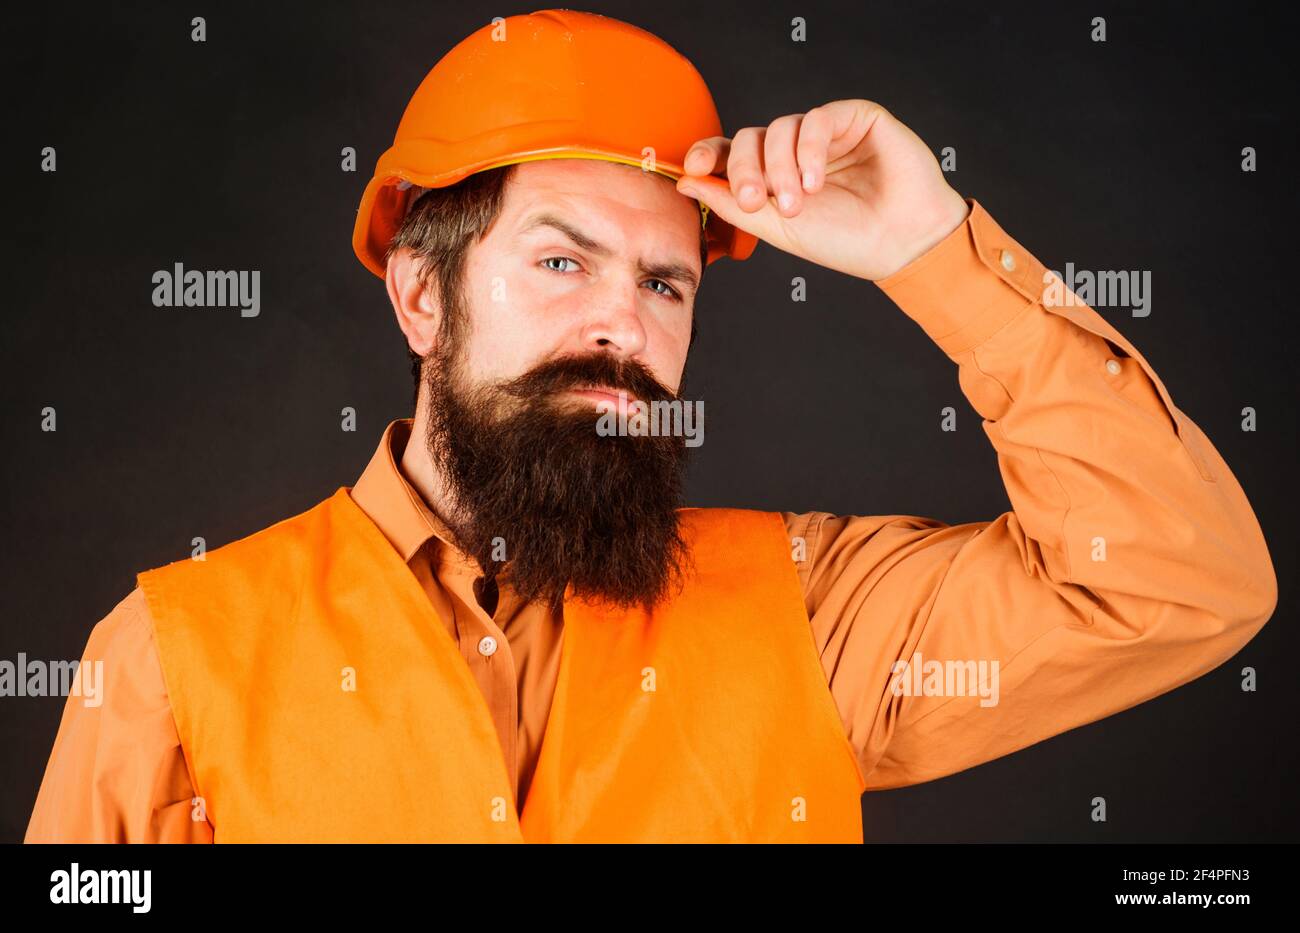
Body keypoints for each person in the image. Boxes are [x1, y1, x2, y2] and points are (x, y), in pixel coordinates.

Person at [26, 9, 1276, 843]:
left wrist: (930, 254)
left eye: (664, 282)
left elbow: (1177, 581)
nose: (622, 327)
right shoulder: (165, 662)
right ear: (421, 292)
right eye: (562, 264)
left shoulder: (809, 619)